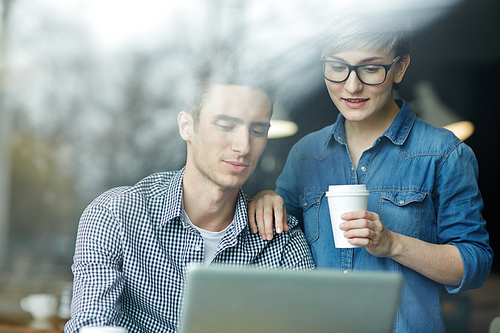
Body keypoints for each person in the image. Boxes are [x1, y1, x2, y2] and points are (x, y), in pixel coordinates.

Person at [248, 10, 493, 332]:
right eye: (337, 67)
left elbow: (474, 265)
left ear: (400, 67)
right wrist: (266, 197)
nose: (351, 86)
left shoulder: (443, 153)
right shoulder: (305, 154)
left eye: (370, 69)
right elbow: (277, 246)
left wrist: (393, 244)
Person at [65, 50, 315, 333]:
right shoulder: (115, 215)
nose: (243, 146)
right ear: (187, 126)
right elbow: (91, 325)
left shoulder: (281, 241)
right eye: (226, 125)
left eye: (258, 130)